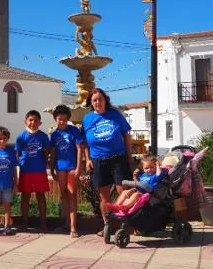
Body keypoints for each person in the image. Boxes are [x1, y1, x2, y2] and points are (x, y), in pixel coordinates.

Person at [81, 88, 133, 236]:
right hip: (98, 161)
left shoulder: (115, 114)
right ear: (91, 103)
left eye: (100, 99)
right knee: (104, 196)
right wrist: (88, 159)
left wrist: (129, 157)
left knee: (124, 191)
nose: (98, 102)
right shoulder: (87, 119)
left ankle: (127, 225)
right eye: (95, 100)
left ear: (105, 100)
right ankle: (107, 226)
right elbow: (84, 141)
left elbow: (126, 135)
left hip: (118, 158)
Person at [50, 105, 83, 238]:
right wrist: (52, 169)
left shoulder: (74, 131)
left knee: (72, 196)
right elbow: (52, 154)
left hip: (71, 168)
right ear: (55, 119)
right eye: (59, 119)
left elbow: (79, 149)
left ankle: (74, 228)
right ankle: (66, 223)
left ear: (68, 119)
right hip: (60, 167)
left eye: (64, 119)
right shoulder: (54, 135)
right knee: (63, 195)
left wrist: (78, 167)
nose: (62, 121)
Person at [16, 110, 51, 233]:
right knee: (25, 197)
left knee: (40, 196)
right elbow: (18, 154)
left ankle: (43, 224)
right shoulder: (21, 136)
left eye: (36, 120)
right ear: (25, 121)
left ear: (40, 122)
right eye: (30, 120)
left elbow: (46, 154)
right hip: (25, 171)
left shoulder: (44, 137)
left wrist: (42, 164)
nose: (33, 122)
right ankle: (24, 224)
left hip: (39, 171)